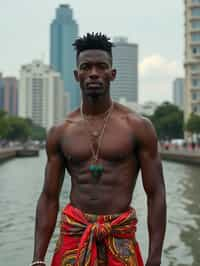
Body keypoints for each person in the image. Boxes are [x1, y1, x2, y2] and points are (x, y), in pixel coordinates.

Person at [31, 33, 166, 266]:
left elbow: (156, 194)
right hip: (75, 235)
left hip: (119, 237)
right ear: (77, 75)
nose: (94, 73)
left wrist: (154, 259)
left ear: (112, 74)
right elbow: (49, 197)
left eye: (101, 66)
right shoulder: (61, 131)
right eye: (86, 67)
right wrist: (37, 259)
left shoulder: (137, 127)